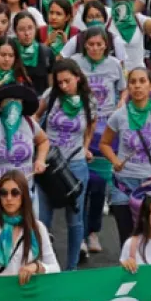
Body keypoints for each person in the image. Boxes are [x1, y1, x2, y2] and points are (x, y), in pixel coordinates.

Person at [100, 67, 151, 245]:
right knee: (128, 240)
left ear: (150, 86)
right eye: (133, 82)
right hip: (124, 184)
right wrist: (115, 160)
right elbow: (104, 143)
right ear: (128, 87)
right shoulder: (118, 116)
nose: (137, 86)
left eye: (142, 81)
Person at [36, 60, 97, 270]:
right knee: (43, 219)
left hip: (76, 164)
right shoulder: (50, 96)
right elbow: (36, 116)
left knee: (75, 219)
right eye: (59, 82)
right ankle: (44, 265)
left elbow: (92, 124)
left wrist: (85, 147)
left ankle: (71, 268)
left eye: (67, 81)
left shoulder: (88, 100)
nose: (63, 86)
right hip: (49, 164)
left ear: (77, 78)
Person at [0, 83, 49, 217]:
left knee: (28, 229)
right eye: (9, 101)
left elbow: (43, 141)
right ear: (0, 105)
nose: (14, 105)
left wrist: (40, 160)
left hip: (25, 191)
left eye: (17, 101)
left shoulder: (29, 123)